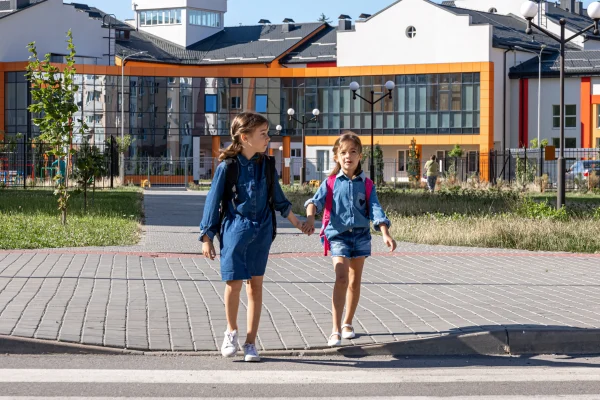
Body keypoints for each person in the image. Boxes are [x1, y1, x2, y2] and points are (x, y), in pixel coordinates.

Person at [199, 112, 306, 362]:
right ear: (245, 137)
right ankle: (231, 332)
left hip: (262, 232)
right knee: (233, 284)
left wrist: (297, 222)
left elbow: (279, 199)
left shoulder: (268, 165)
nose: (268, 138)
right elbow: (212, 203)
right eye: (263, 134)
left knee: (255, 287)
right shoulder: (228, 167)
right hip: (235, 232)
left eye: (268, 133)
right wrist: (207, 238)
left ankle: (250, 343)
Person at [302, 132, 397, 347]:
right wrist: (309, 219)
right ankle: (334, 329)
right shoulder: (330, 182)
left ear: (360, 156)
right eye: (343, 152)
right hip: (338, 237)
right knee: (341, 278)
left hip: (361, 237)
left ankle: (348, 323)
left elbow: (375, 208)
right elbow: (313, 202)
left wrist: (384, 232)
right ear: (336, 156)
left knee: (354, 282)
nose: (348, 156)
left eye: (353, 152)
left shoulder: (367, 183)